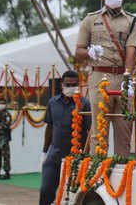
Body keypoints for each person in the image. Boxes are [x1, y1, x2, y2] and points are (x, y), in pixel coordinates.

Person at [75, 0, 136, 157]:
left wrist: (127, 75)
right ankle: (98, 169)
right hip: (99, 76)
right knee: (99, 127)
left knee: (124, 127)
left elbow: (131, 50)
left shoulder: (132, 21)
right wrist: (89, 51)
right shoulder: (90, 19)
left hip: (122, 76)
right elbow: (78, 51)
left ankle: (121, 170)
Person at [39, 70, 91, 205]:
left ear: (78, 85)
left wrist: (86, 155)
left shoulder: (84, 104)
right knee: (45, 190)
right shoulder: (53, 102)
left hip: (75, 157)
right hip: (54, 154)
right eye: (68, 85)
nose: (70, 88)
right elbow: (49, 128)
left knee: (72, 194)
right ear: (62, 85)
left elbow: (90, 131)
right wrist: (44, 152)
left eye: (74, 85)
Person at [0, 99, 11, 180]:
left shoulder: (7, 114)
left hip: (4, 138)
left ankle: (7, 173)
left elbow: (7, 124)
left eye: (2, 104)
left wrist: (0, 126)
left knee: (5, 156)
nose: (0, 105)